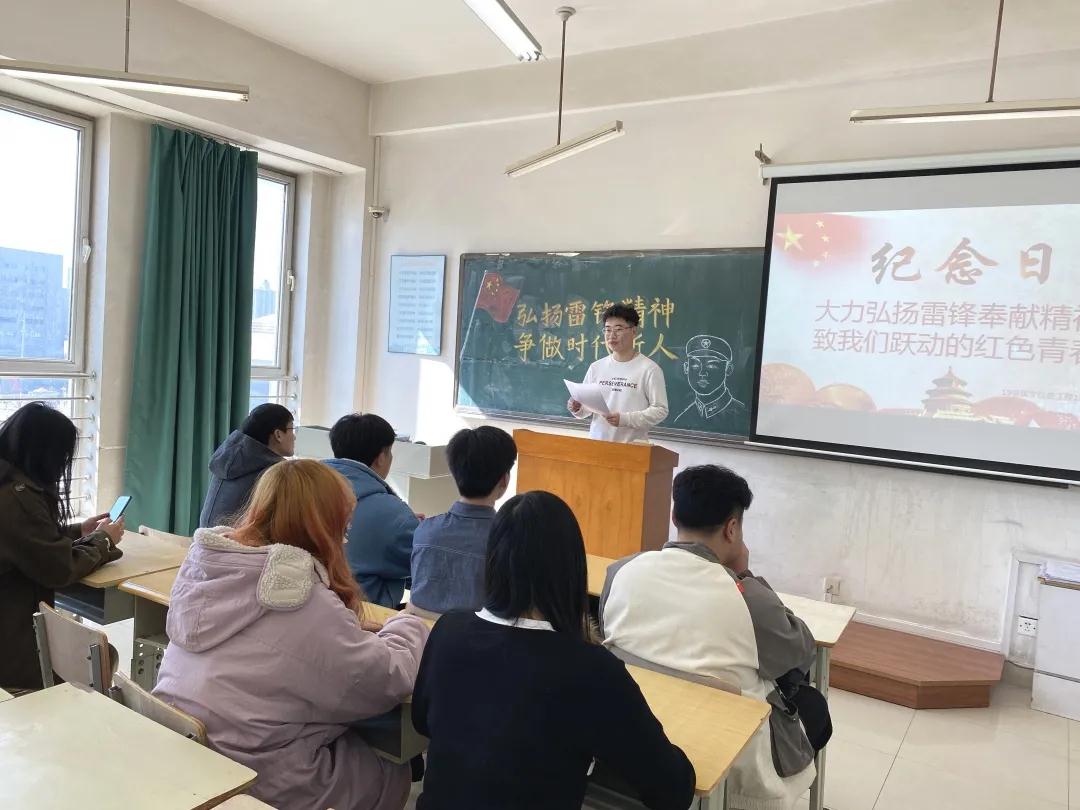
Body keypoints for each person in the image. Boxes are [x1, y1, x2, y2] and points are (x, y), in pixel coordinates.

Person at [154, 459, 429, 810]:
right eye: (344, 527)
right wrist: (409, 622)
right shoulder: (299, 599)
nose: (345, 538)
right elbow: (388, 679)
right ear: (324, 527)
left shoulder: (204, 576)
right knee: (391, 767)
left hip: (190, 755)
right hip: (257, 783)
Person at [411, 490, 696, 810]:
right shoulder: (593, 670)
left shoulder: (449, 630)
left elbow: (422, 721)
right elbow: (673, 789)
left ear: (493, 559)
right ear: (571, 568)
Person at [600, 465, 818, 810]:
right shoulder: (747, 598)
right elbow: (801, 653)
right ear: (732, 529)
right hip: (728, 758)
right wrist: (746, 575)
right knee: (814, 708)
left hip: (634, 737)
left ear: (674, 517)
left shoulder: (621, 571)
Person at [0, 402, 124, 691]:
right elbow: (59, 568)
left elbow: (23, 541)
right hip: (12, 651)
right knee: (103, 656)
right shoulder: (18, 497)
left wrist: (79, 530)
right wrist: (104, 540)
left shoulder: (7, 483)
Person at [408, 426, 516, 617]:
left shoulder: (425, 530)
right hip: (477, 635)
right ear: (504, 480)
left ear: (454, 474)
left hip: (421, 633)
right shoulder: (508, 541)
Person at [323, 413, 418, 608]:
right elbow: (425, 570)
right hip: (359, 614)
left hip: (298, 606)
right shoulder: (392, 514)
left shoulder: (299, 488)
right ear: (381, 457)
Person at [567, 303, 669, 442]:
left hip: (632, 448)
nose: (612, 335)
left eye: (618, 329)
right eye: (607, 330)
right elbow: (586, 409)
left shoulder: (649, 369)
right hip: (597, 445)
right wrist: (577, 408)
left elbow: (660, 410)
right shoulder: (596, 367)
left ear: (634, 331)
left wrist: (625, 419)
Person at [199, 403, 295, 528]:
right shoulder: (276, 472)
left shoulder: (227, 459)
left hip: (206, 537)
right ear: (278, 435)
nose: (294, 437)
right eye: (292, 429)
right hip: (237, 539)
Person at [673, 335, 747, 426]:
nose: (702, 373)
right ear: (686, 368)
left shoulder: (742, 418)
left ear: (728, 369)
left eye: (712, 366)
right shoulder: (681, 420)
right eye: (695, 365)